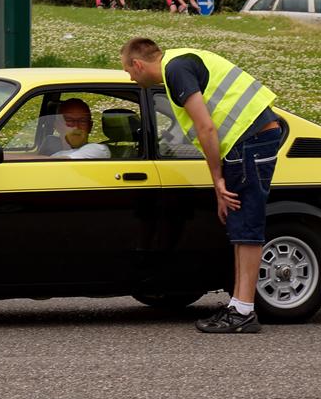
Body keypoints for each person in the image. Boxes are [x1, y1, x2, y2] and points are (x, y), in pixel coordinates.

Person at [121, 37, 282, 334]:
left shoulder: (175, 71)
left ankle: (244, 311)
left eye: (128, 70)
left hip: (249, 142)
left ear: (138, 64)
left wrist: (217, 179)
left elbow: (205, 127)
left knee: (247, 224)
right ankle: (239, 306)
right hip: (250, 140)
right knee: (239, 223)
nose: (130, 77)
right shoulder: (180, 60)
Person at [44, 98, 110, 160]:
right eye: (69, 120)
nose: (76, 127)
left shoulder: (98, 149)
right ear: (57, 125)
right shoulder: (50, 144)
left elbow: (63, 161)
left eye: (83, 121)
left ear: (90, 126)